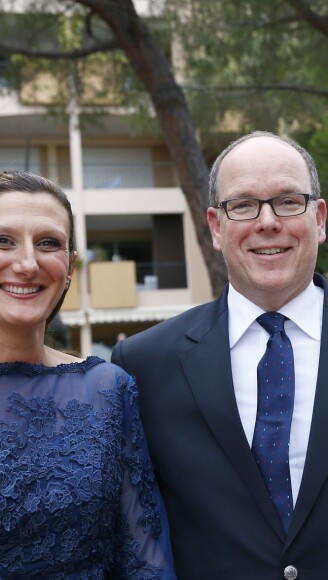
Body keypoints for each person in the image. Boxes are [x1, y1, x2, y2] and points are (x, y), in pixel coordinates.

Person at [112, 131, 328, 579]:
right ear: (217, 228)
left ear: (319, 218)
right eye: (243, 205)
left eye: (287, 201)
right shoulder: (144, 364)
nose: (267, 222)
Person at [0, 171, 176, 578]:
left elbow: (145, 558)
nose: (27, 263)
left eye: (49, 243)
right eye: (3, 240)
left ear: (70, 267)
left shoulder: (107, 389)